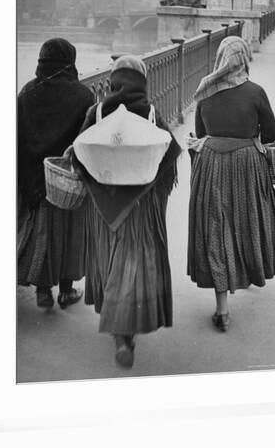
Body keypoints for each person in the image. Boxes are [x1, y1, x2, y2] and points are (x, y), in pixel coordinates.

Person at [75, 56, 181, 368]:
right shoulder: (149, 113)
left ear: (113, 81)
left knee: (109, 259)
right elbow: (169, 155)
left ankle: (118, 327)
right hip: (140, 206)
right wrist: (156, 191)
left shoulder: (96, 113)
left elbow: (79, 155)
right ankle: (125, 331)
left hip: (104, 204)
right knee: (133, 262)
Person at [187, 36, 275, 332]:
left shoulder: (204, 90)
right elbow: (269, 134)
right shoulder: (255, 92)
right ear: (243, 59)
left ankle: (222, 310)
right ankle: (245, 271)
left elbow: (199, 132)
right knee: (246, 223)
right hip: (246, 165)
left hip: (211, 164)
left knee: (216, 228)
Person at [17, 38, 94, 309]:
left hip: (34, 177)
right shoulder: (84, 96)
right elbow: (87, 140)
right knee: (70, 235)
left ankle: (42, 291)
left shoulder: (27, 92)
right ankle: (66, 291)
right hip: (68, 178)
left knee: (41, 234)